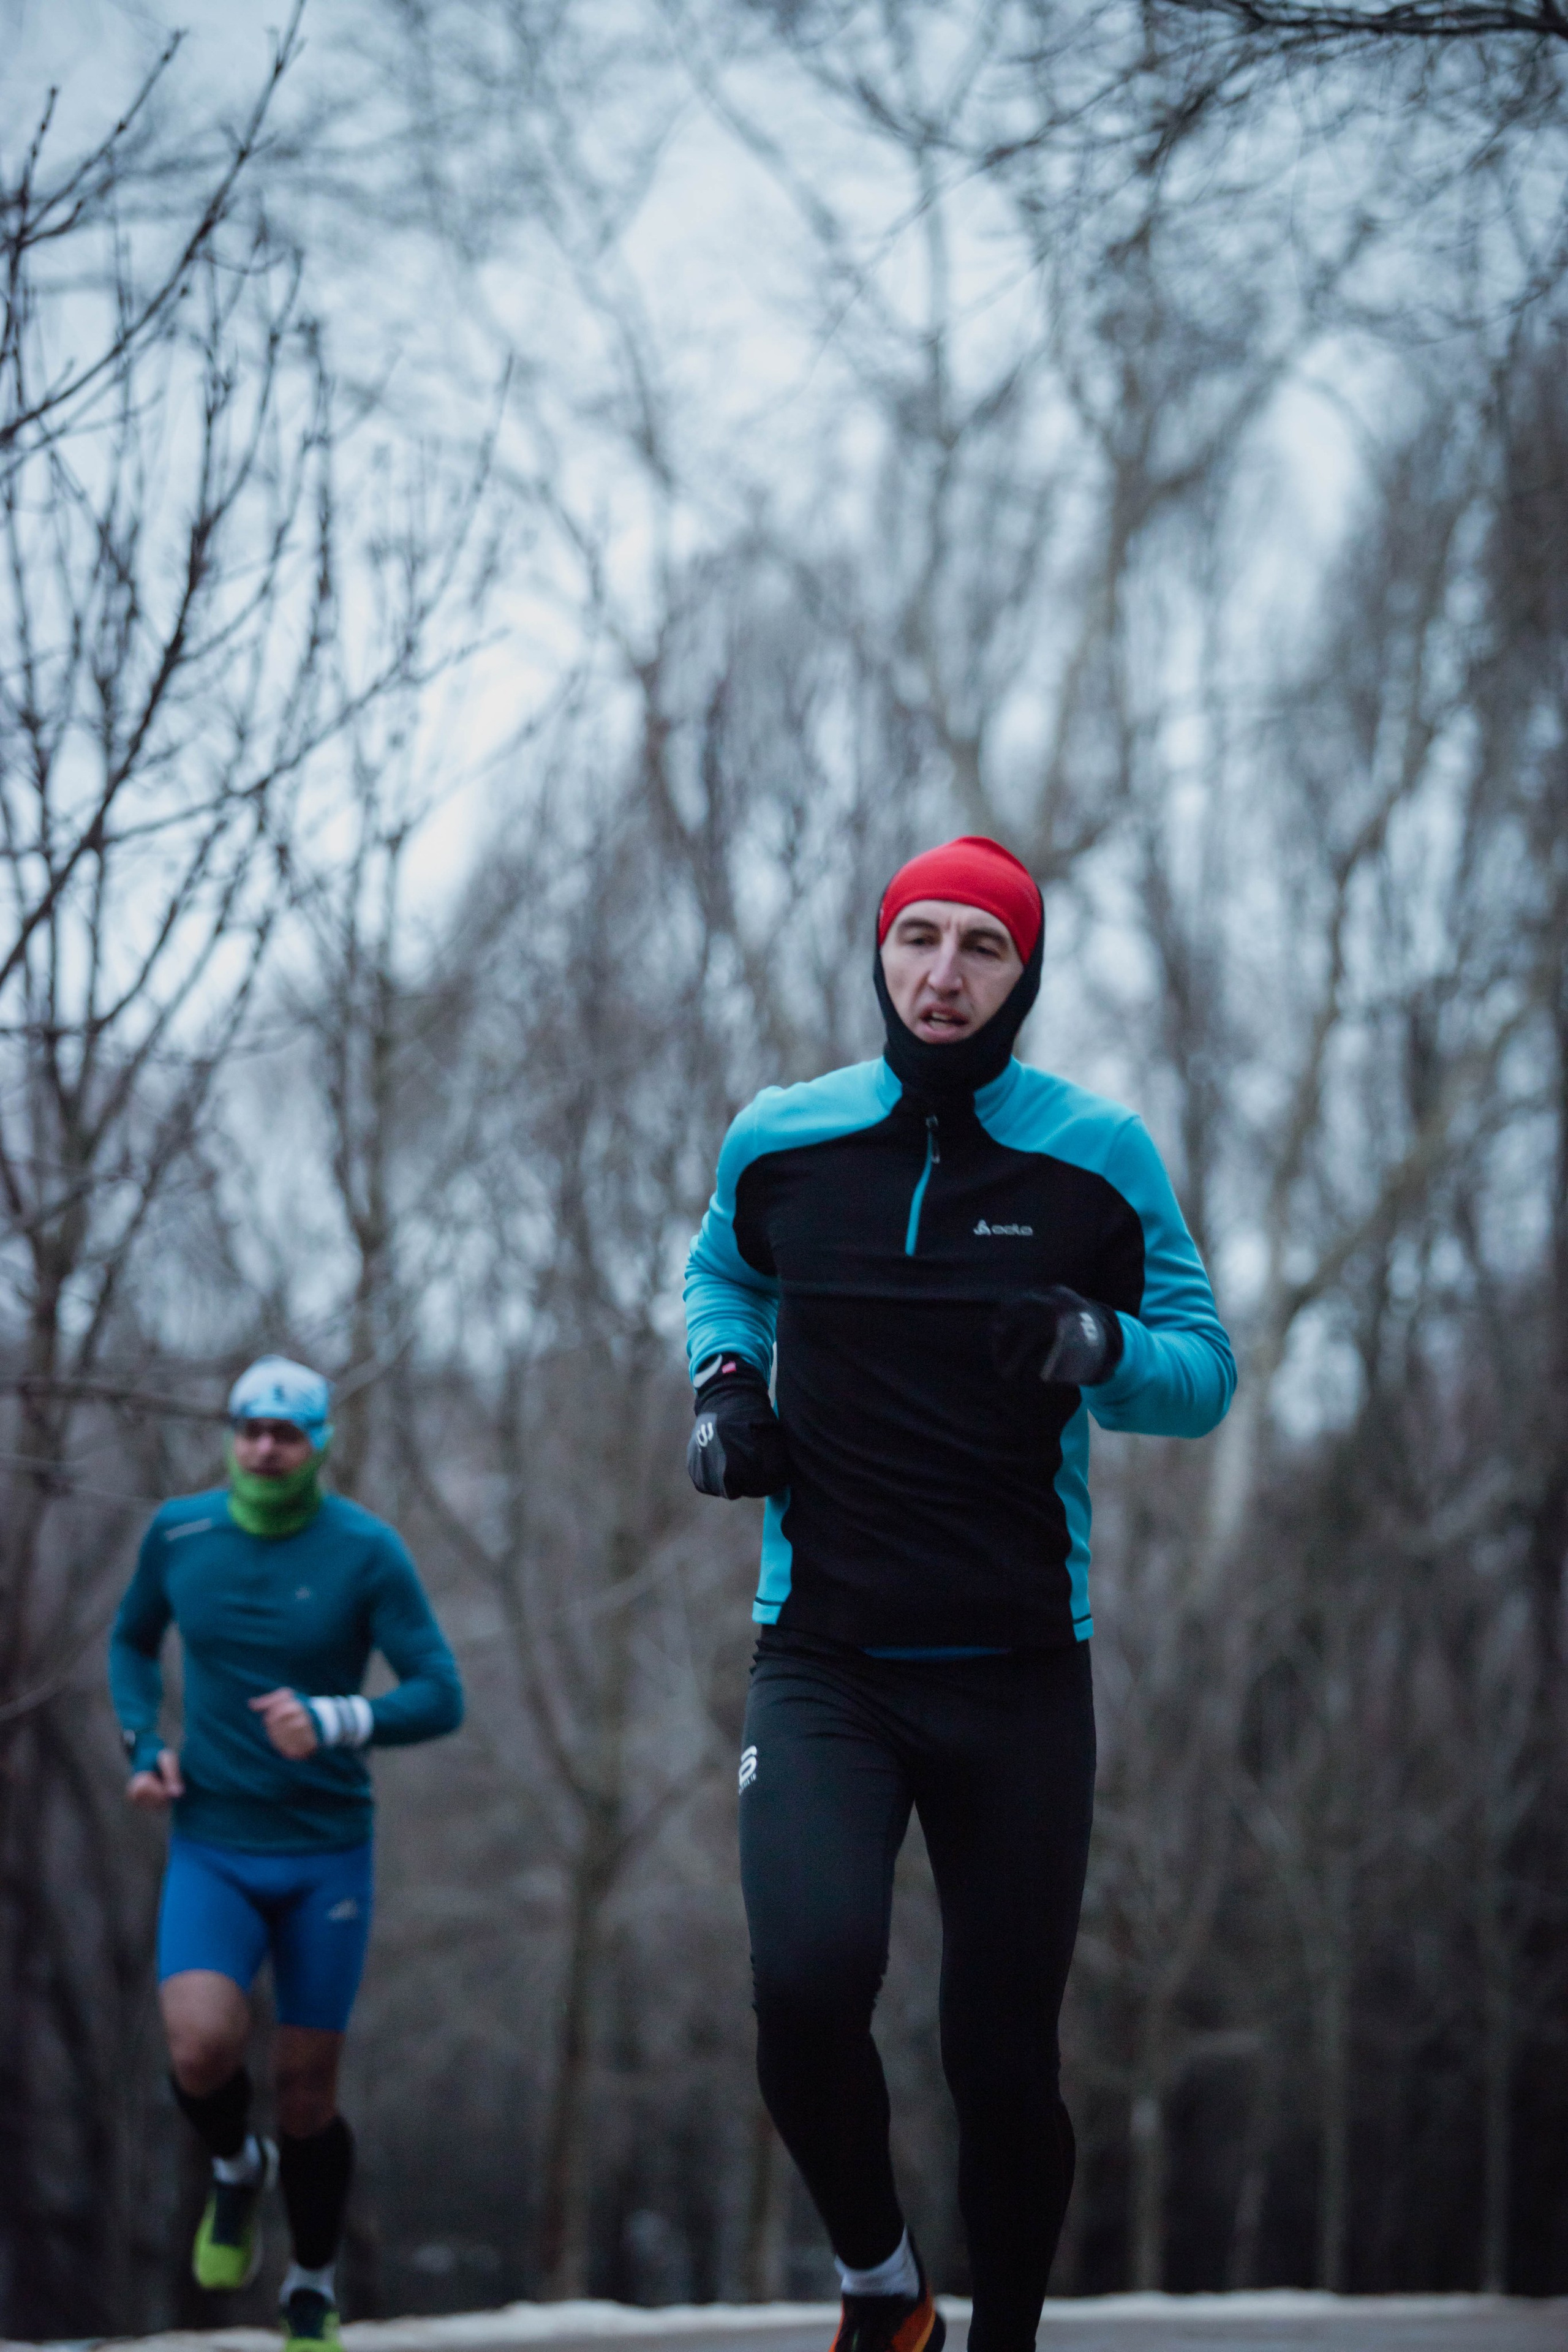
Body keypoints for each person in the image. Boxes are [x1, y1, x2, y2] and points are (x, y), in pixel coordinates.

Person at [684, 837, 1235, 2352]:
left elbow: (1203, 1377)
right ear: (877, 954)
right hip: (824, 1664)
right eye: (916, 939)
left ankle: (1005, 2341)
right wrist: (725, 1387)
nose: (941, 973)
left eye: (978, 948)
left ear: (1022, 974)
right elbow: (720, 1275)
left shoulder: (1094, 1158)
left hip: (1014, 1676)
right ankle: (883, 2287)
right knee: (801, 1990)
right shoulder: (783, 1142)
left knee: (997, 2063)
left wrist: (1101, 1350)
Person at [110, 1355, 464, 2351]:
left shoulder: (366, 1551)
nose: (265, 1447)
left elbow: (441, 1691)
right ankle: (233, 2168)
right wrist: (144, 1744)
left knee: (308, 2091)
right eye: (250, 1428)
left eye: (288, 1432)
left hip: (326, 1856)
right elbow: (132, 1642)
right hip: (213, 1842)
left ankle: (310, 2282)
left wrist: (339, 1717)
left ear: (319, 1443)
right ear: (231, 1434)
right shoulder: (179, 1532)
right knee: (200, 2047)